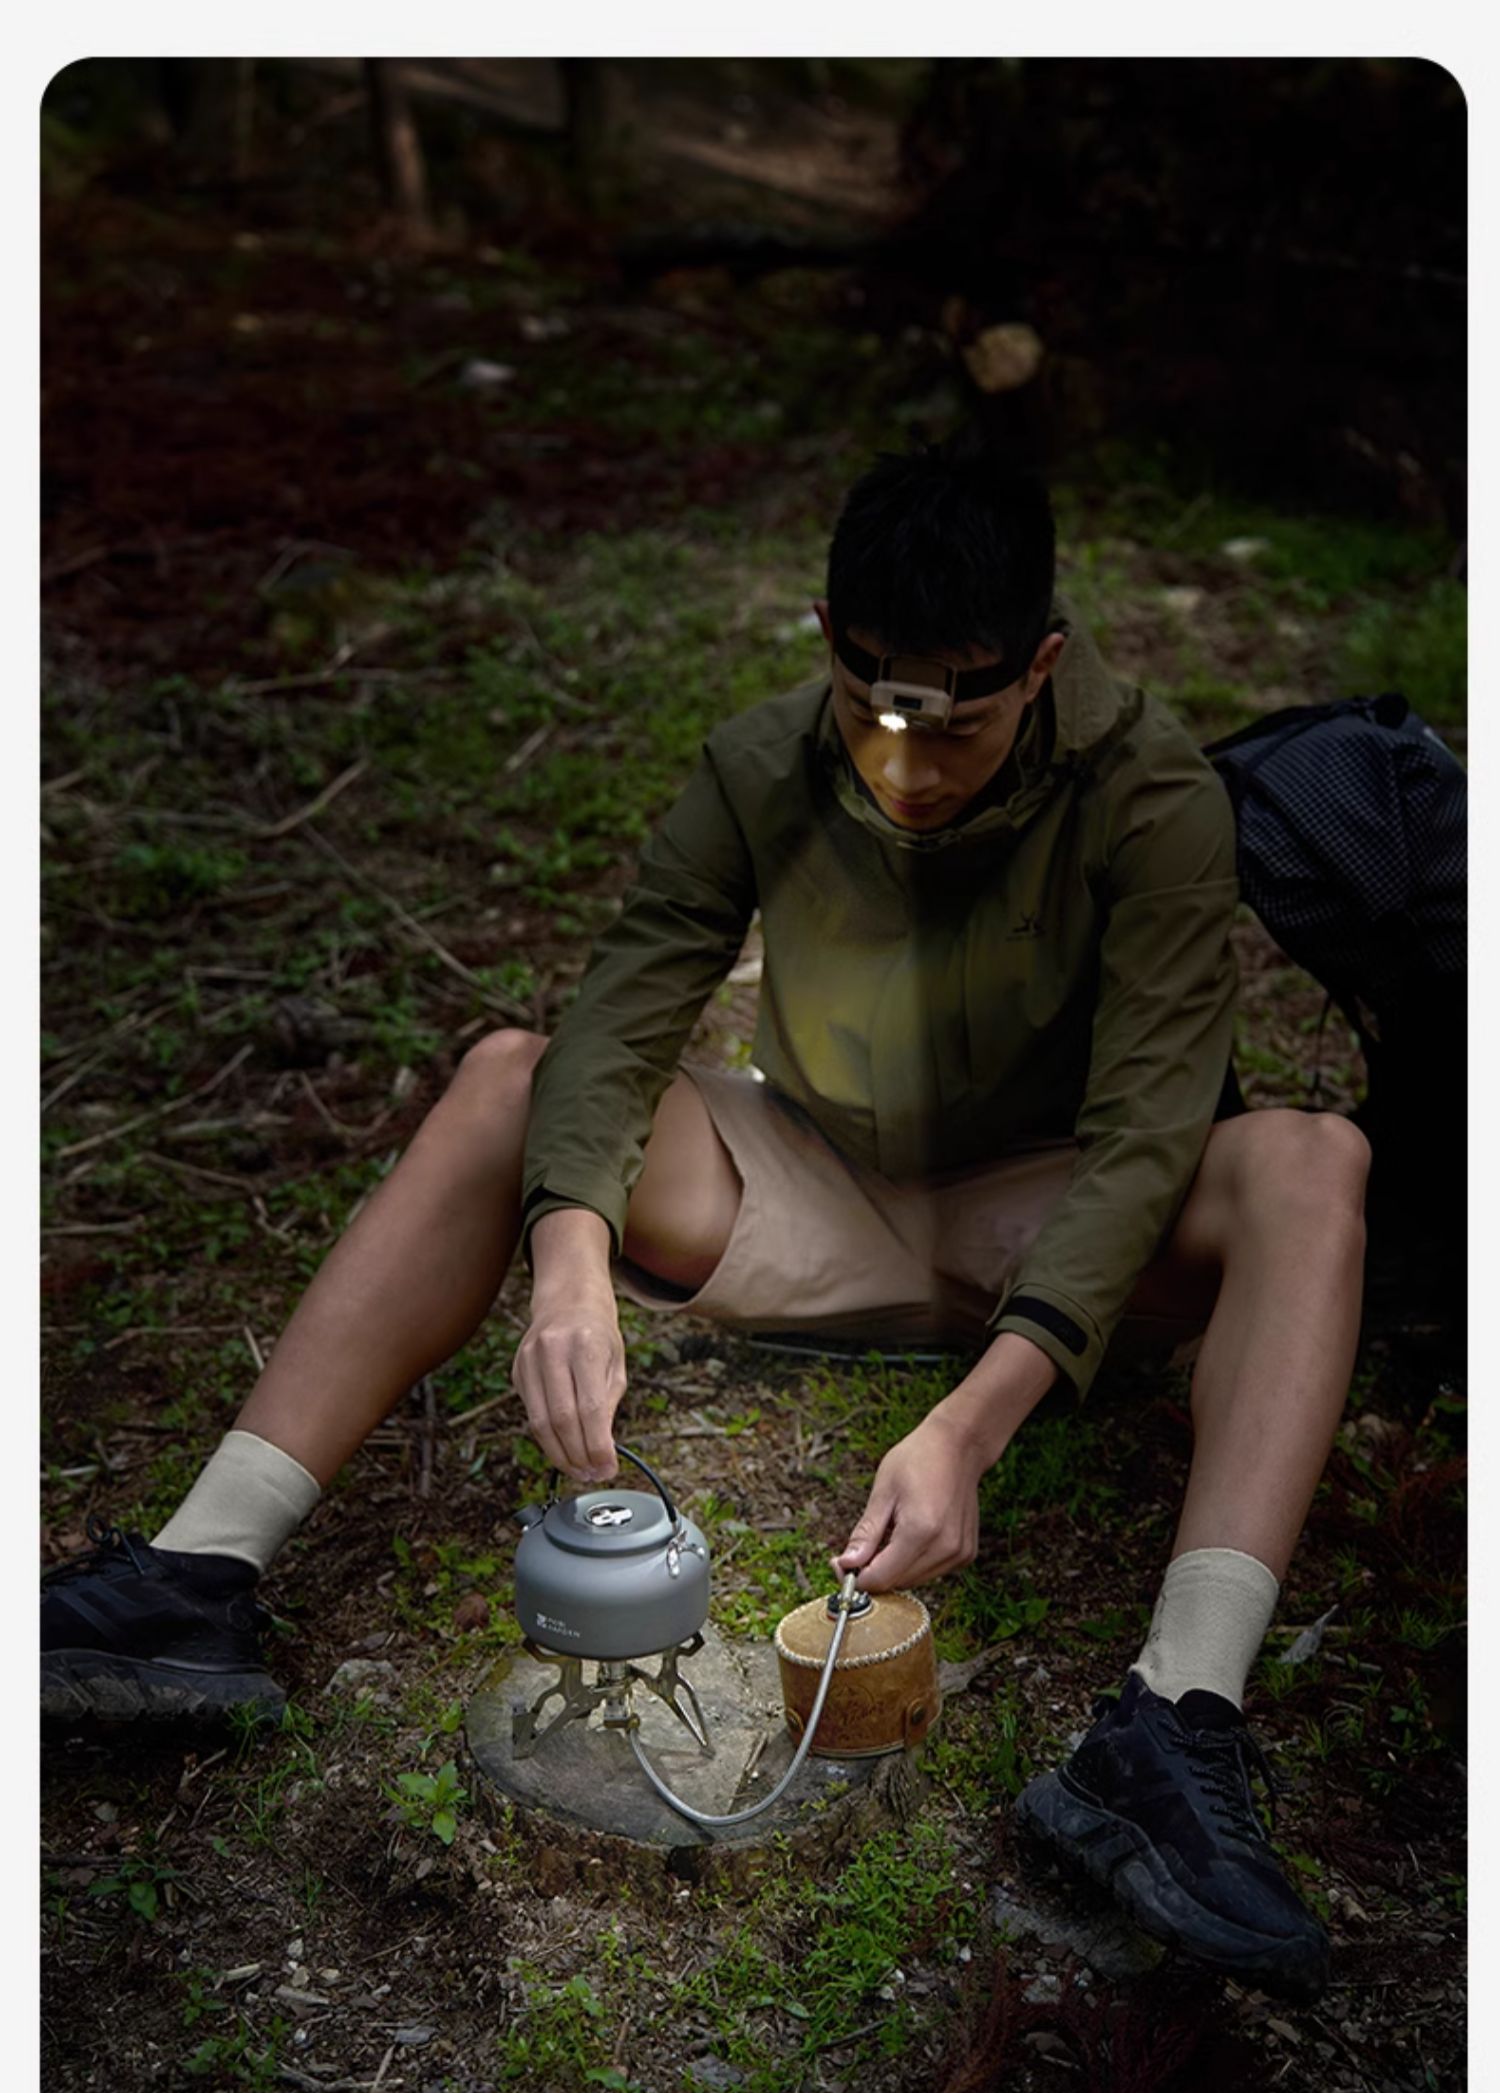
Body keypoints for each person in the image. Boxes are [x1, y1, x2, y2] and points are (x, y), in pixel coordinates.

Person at [42, 440, 1370, 2003]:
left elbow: (1149, 1136)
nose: (907, 767)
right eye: (870, 707)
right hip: (809, 1193)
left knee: (1310, 1163)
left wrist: (974, 1425)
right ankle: (198, 1576)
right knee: (510, 1076)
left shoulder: (1152, 793)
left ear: (1043, 665)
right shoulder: (759, 761)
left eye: (957, 723)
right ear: (825, 637)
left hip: (1053, 1217)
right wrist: (569, 1262)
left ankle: (1174, 1719)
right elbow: (620, 1013)